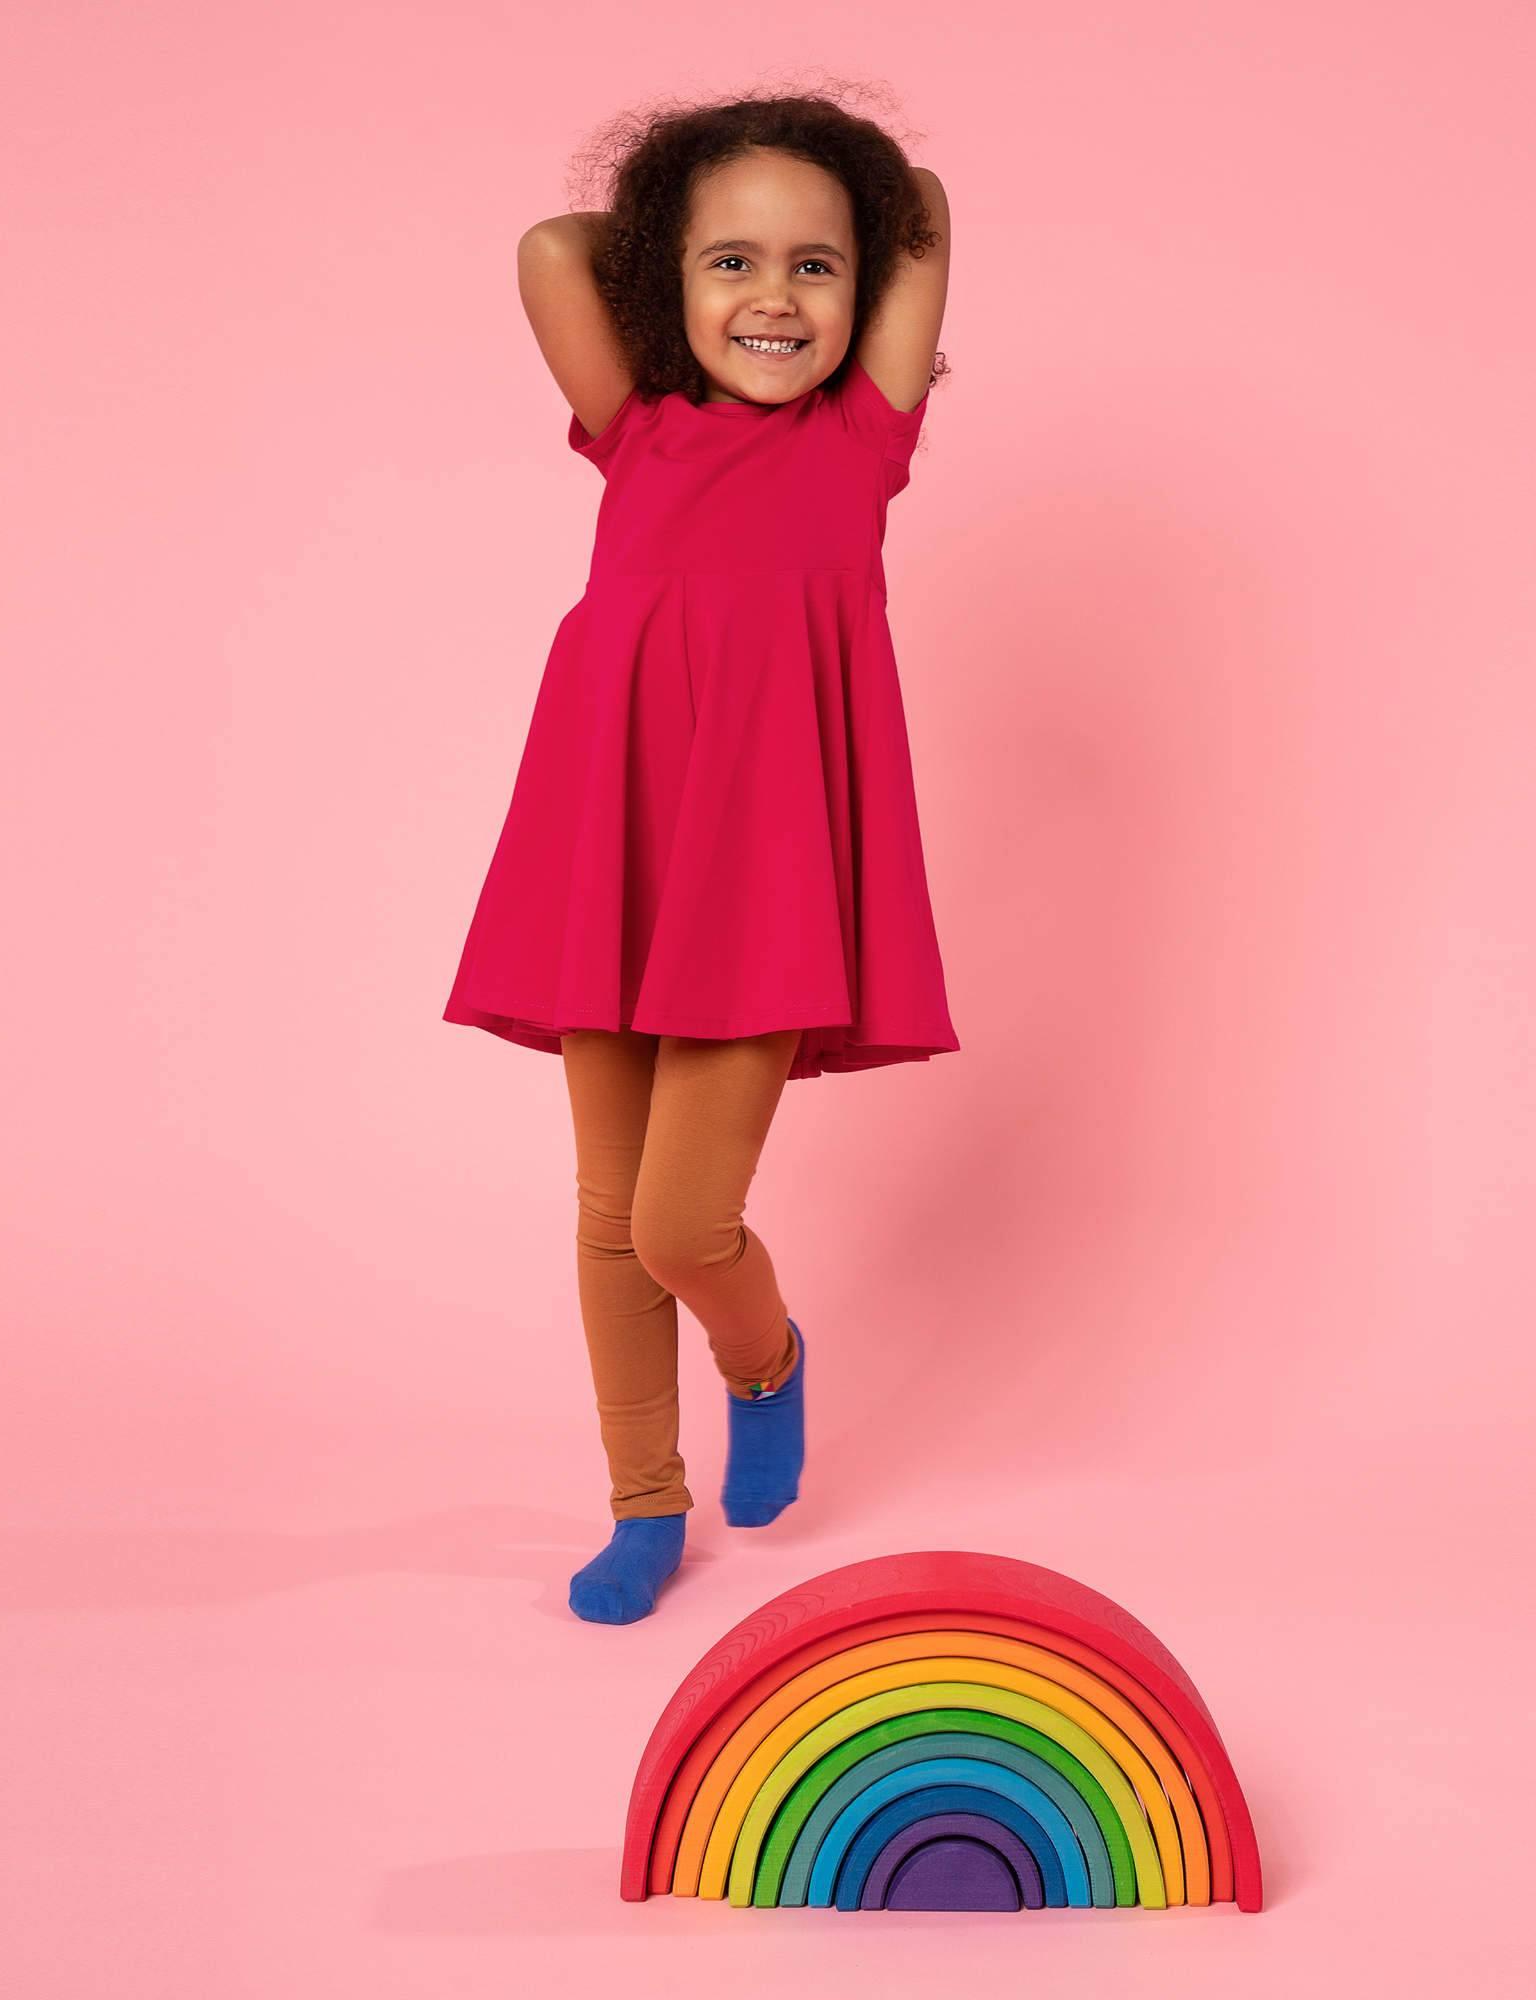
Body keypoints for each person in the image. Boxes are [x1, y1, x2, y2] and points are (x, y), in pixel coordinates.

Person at [441, 94, 959, 1623]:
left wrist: (817, 214)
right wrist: (684, 236)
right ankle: (641, 1503)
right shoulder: (641, 427)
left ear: (864, 294)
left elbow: (921, 198)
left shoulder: (866, 434)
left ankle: (769, 1358)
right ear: (662, 281)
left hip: (768, 867)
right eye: (729, 263)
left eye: (816, 267)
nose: (775, 299)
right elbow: (553, 244)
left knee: (680, 1223)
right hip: (614, 834)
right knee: (608, 1214)